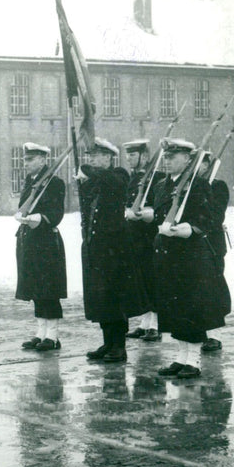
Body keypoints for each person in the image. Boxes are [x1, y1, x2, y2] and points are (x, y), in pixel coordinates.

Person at [146, 138, 229, 379]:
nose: (168, 160)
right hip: (167, 253)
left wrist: (188, 228)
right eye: (167, 156)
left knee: (190, 307)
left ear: (188, 159)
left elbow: (207, 219)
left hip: (190, 254)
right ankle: (180, 357)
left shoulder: (199, 185)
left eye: (174, 156)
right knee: (174, 307)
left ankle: (192, 360)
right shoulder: (162, 185)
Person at [77, 138, 148, 363]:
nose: (92, 161)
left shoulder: (118, 175)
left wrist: (88, 172)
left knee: (115, 298)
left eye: (97, 156)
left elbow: (112, 183)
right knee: (100, 298)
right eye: (90, 157)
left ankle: (119, 346)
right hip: (95, 247)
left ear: (108, 158)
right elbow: (87, 212)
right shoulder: (93, 181)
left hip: (114, 248)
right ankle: (108, 342)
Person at [14, 142, 67, 352]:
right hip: (29, 241)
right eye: (25, 159)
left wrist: (38, 218)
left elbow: (56, 214)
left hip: (46, 242)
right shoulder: (30, 181)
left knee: (49, 290)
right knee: (36, 288)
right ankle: (40, 332)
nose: (26, 163)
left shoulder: (55, 183)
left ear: (43, 160)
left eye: (31, 159)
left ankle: (52, 336)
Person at [122, 139, 162, 342]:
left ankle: (155, 324)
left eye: (132, 154)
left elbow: (160, 205)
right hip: (134, 235)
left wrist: (145, 213)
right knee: (139, 279)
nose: (128, 158)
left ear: (144, 156)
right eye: (128, 154)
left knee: (151, 278)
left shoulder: (155, 177)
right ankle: (145, 322)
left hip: (149, 235)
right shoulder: (134, 177)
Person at [199, 151, 231, 353]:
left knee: (213, 289)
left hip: (211, 245)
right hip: (194, 247)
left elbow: (216, 215)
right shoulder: (190, 186)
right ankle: (202, 332)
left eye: (200, 164)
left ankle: (214, 335)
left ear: (207, 165)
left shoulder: (217, 186)